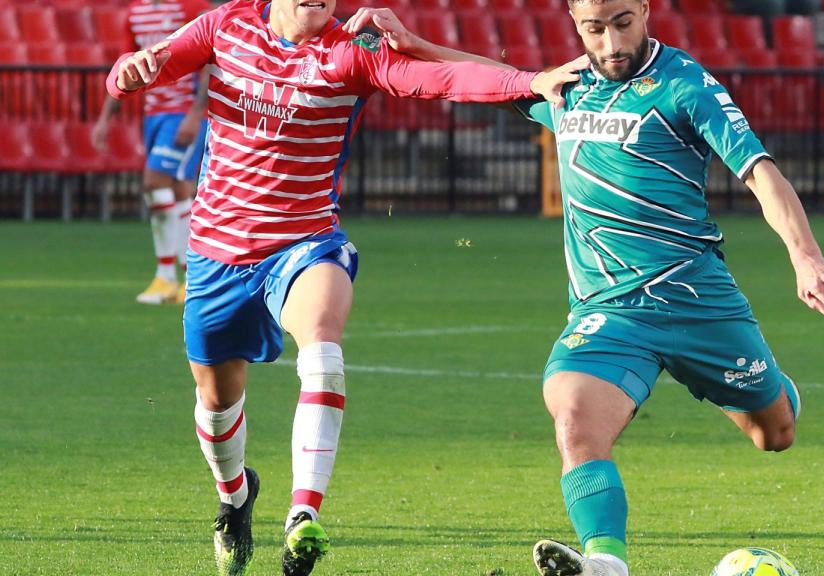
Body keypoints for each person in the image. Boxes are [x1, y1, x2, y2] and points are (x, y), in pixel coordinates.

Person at [104, 0, 584, 574]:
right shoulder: (225, 24)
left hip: (305, 243)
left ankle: (302, 517)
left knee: (324, 348)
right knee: (215, 404)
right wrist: (128, 70)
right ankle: (235, 498)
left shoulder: (349, 51)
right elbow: (142, 67)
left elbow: (442, 78)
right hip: (216, 253)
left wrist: (530, 80)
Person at [503, 1, 824, 575]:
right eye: (593, 28)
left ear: (645, 9)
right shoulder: (564, 87)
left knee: (775, 434)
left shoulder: (685, 85)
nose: (610, 42)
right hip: (609, 309)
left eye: (622, 22)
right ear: (573, 20)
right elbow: (475, 79)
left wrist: (805, 256)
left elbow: (760, 171)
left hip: (695, 299)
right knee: (574, 415)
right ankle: (604, 563)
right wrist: (408, 42)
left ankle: (776, 390)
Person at [93, 0, 211, 305]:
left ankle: (166, 274)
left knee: (153, 182)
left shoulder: (190, 6)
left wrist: (197, 113)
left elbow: (211, 59)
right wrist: (106, 118)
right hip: (153, 113)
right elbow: (126, 63)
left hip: (182, 112)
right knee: (180, 189)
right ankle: (190, 280)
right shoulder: (134, 12)